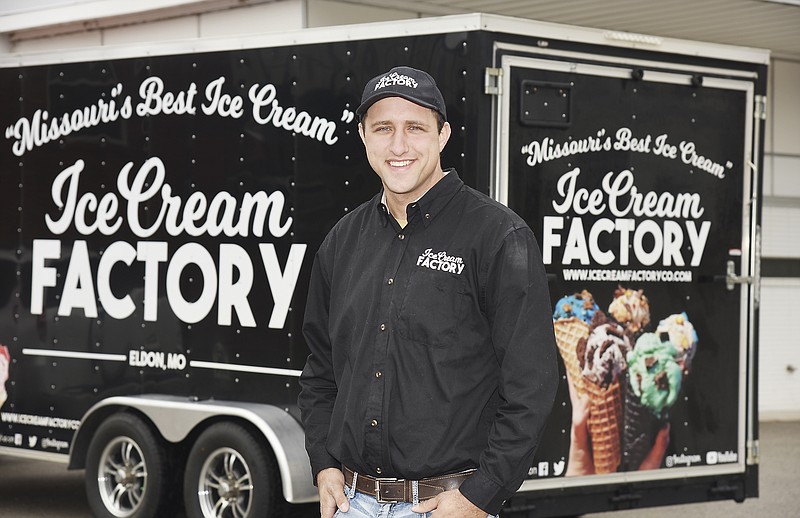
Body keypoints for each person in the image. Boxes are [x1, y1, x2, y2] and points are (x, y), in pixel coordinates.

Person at [298, 65, 558, 518]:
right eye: (383, 129)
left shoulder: (497, 237)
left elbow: (531, 386)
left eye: (415, 127)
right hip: (351, 502)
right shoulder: (341, 241)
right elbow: (320, 370)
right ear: (363, 136)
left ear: (442, 135)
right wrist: (323, 464)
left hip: (446, 505)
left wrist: (481, 495)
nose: (398, 146)